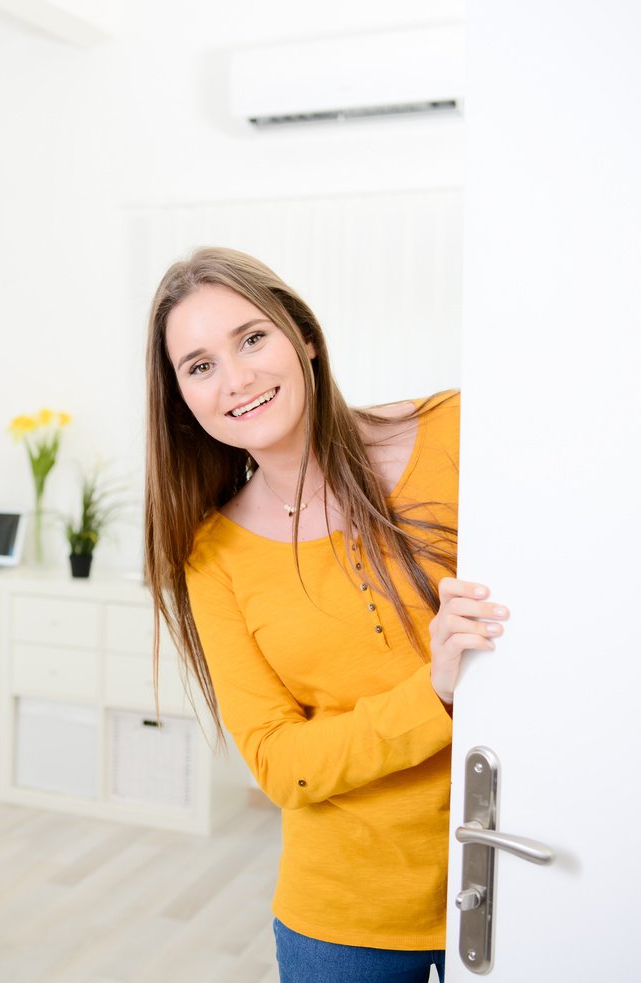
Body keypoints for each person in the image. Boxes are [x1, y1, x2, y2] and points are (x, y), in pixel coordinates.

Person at [142, 247, 508, 983]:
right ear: (181, 397)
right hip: (346, 920)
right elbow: (281, 762)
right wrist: (430, 691)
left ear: (301, 333)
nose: (237, 378)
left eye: (251, 338)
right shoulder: (213, 557)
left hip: (521, 872)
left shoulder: (459, 430)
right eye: (200, 365)